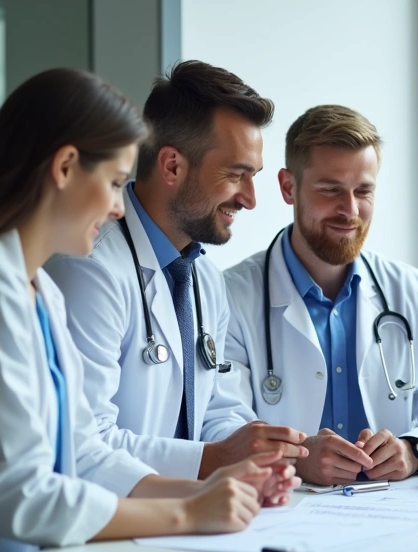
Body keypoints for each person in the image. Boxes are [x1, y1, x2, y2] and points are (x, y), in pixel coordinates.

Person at [0, 68, 296, 552]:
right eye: (113, 183)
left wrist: (216, 490)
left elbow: (84, 454)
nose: (117, 207)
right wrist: (186, 512)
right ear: (65, 167)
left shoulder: (38, 291)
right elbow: (19, 496)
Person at [45, 61, 308, 480]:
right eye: (236, 175)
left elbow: (216, 410)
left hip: (185, 517)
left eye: (253, 177)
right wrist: (215, 461)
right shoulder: (88, 270)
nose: (251, 199)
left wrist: (262, 457)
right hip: (113, 526)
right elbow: (82, 445)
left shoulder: (202, 277)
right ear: (171, 166)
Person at [223, 105, 418, 486]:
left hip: (392, 513)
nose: (350, 210)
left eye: (364, 191)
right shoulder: (231, 294)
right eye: (330, 190)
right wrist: (295, 459)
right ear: (288, 187)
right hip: (283, 508)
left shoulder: (410, 289)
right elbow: (221, 423)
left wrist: (413, 449)